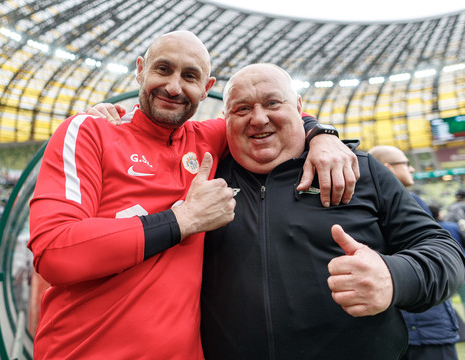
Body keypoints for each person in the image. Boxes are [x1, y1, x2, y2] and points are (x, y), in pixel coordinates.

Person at [28, 31, 358, 359]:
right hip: (81, 351)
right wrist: (182, 220)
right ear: (140, 70)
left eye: (189, 76)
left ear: (206, 90)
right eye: (163, 69)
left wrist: (323, 135)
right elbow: (54, 251)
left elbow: (275, 116)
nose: (174, 87)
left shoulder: (209, 138)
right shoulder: (90, 131)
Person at [199, 64, 465, 360]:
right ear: (225, 119)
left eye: (273, 103)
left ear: (299, 107)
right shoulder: (205, 180)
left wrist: (394, 277)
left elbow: (444, 251)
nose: (259, 119)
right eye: (242, 108)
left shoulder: (360, 169)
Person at [368, 145, 460, 360]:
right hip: (424, 325)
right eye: (405, 164)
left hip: (397, 325)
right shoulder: (408, 201)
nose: (411, 169)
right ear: (387, 169)